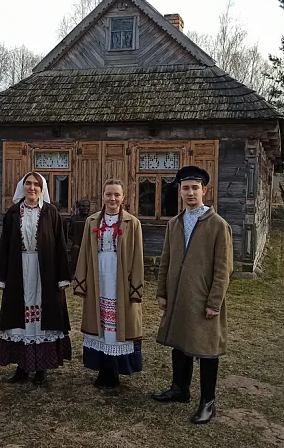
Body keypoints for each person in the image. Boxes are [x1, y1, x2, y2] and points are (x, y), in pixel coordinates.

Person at [152, 165, 233, 424]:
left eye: (195, 188)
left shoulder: (218, 225)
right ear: (179, 190)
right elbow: (166, 259)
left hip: (203, 298)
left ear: (204, 190)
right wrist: (162, 291)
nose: (190, 193)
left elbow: (224, 268)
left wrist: (215, 302)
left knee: (206, 349)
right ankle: (180, 389)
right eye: (185, 188)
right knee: (180, 341)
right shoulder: (175, 223)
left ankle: (207, 402)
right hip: (177, 296)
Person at [0, 172, 72, 385]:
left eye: (36, 184)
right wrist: (1, 277)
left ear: (42, 188)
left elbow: (60, 246)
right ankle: (22, 367)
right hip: (19, 270)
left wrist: (62, 276)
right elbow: (4, 246)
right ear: (22, 187)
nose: (32, 188)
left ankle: (42, 369)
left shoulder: (51, 213)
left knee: (43, 316)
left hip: (44, 271)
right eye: (28, 184)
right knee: (20, 317)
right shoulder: (12, 213)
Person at [73, 180, 144, 388]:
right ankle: (103, 369)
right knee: (100, 320)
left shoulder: (133, 223)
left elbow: (138, 257)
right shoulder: (92, 221)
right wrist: (82, 280)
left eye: (116, 195)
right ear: (102, 196)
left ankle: (115, 370)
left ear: (123, 197)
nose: (112, 199)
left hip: (121, 277)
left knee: (118, 323)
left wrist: (136, 286)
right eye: (108, 194)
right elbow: (85, 251)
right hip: (98, 275)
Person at [66, 199, 91, 272]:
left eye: (87, 206)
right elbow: (70, 234)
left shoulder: (91, 219)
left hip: (88, 245)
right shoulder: (74, 219)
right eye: (83, 206)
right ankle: (74, 273)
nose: (86, 208)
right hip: (77, 244)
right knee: (76, 249)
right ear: (79, 207)